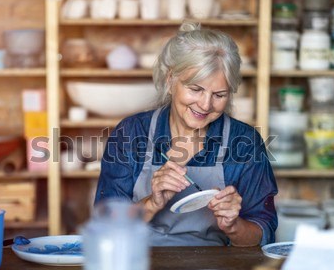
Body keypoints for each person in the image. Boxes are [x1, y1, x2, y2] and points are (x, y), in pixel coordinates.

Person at [95, 22, 277, 247]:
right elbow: (106, 227)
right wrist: (152, 203)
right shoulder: (132, 133)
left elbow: (262, 233)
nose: (205, 104)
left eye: (219, 94)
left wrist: (234, 226)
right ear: (171, 80)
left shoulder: (244, 141)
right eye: (196, 89)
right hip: (139, 262)